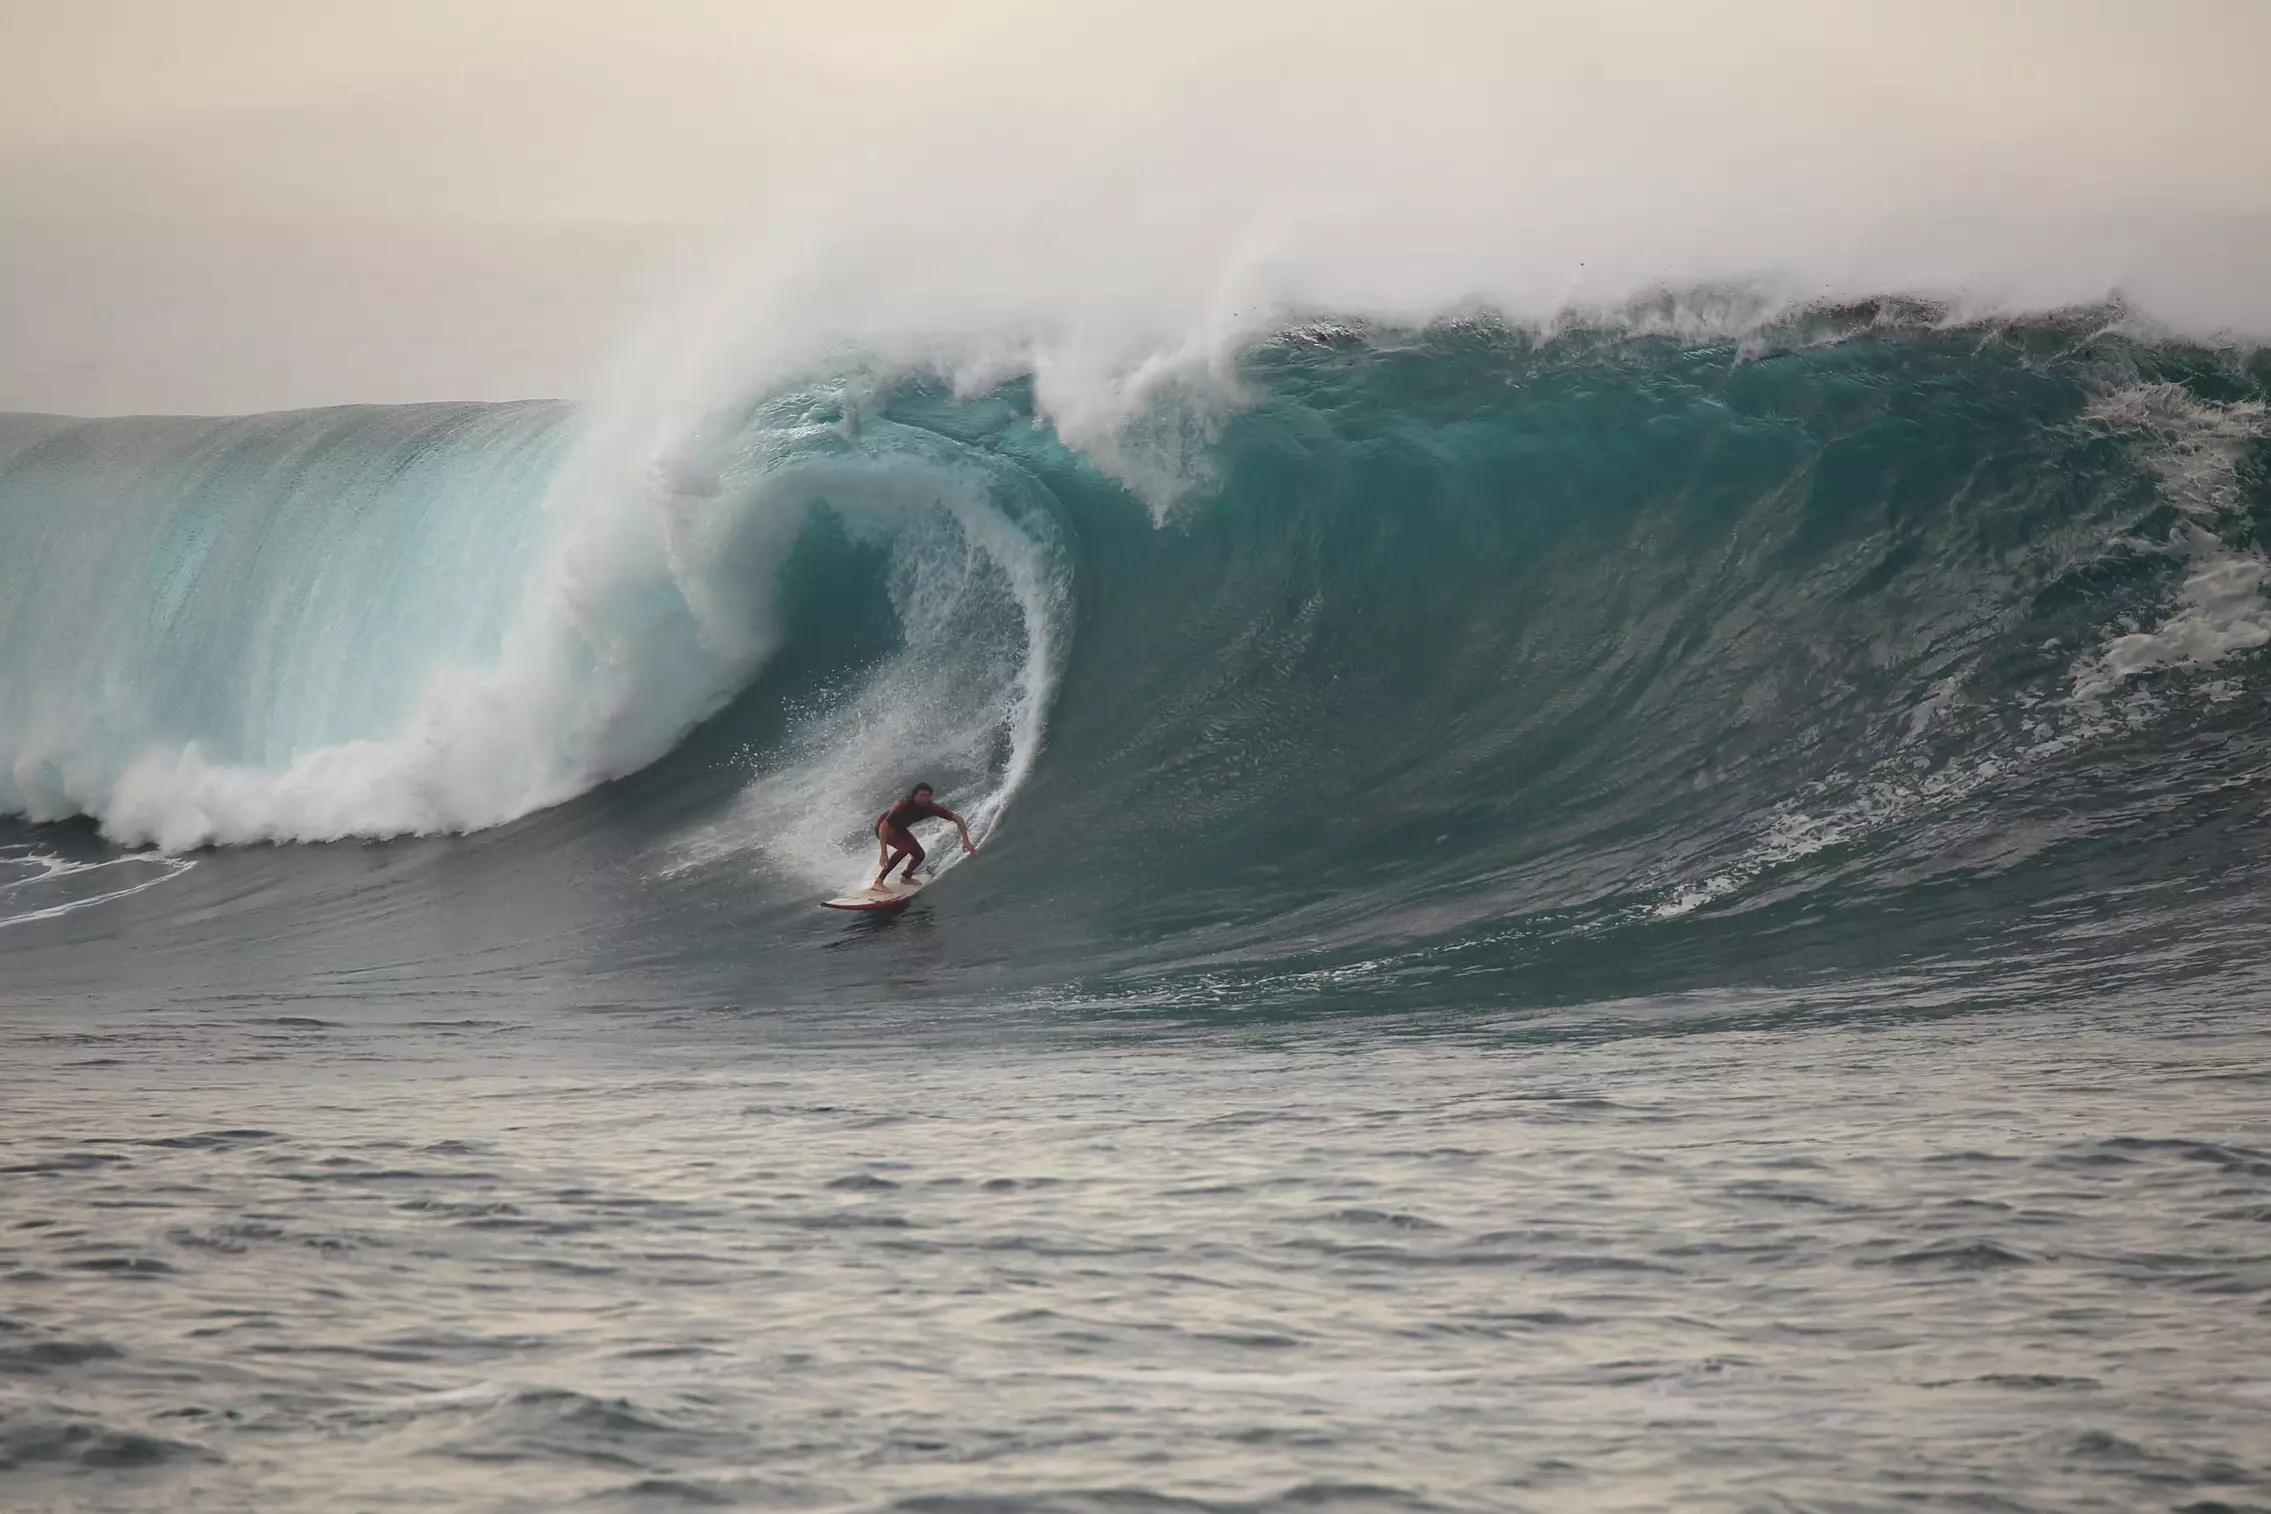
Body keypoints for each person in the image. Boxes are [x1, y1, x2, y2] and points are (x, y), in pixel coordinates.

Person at [872, 782, 974, 890]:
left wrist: (965, 841)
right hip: (884, 826)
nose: (925, 799)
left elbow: (958, 819)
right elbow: (884, 825)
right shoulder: (902, 805)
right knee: (904, 848)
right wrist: (883, 852)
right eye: (921, 795)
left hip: (899, 829)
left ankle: (906, 877)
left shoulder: (931, 808)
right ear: (914, 796)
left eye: (927, 796)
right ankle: (878, 881)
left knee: (919, 855)